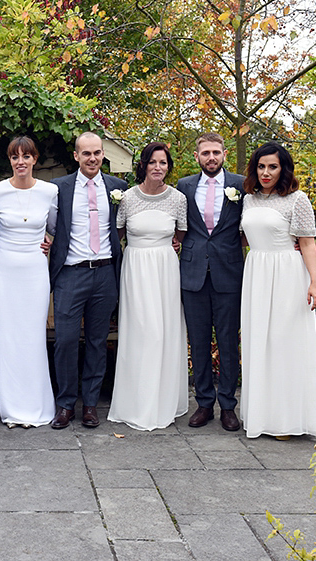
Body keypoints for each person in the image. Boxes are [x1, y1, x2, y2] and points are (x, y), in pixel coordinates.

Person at [240, 142, 316, 439]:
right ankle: (262, 416)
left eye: (272, 167)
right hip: (257, 273)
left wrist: (314, 282)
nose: (266, 172)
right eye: (261, 166)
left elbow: (308, 243)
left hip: (288, 274)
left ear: (283, 168)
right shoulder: (249, 199)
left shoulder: (297, 200)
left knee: (284, 343)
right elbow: (245, 238)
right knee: (259, 342)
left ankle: (287, 419)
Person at [48, 132, 128, 429]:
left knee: (97, 342)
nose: (92, 158)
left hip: (105, 273)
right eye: (86, 153)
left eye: (97, 153)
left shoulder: (118, 188)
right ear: (76, 156)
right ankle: (66, 404)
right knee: (66, 341)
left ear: (103, 153)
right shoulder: (59, 188)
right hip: (71, 273)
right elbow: (46, 224)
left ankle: (91, 405)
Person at [108, 143, 189, 430]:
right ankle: (135, 401)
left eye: (163, 162)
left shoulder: (178, 199)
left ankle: (163, 400)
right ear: (143, 165)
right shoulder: (127, 198)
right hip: (136, 268)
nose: (158, 167)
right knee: (140, 332)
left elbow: (180, 232)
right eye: (153, 162)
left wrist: (171, 245)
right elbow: (118, 233)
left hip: (165, 269)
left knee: (162, 332)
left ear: (169, 166)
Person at [176, 133, 245, 432]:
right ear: (197, 156)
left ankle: (228, 405)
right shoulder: (184, 186)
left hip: (228, 272)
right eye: (205, 153)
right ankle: (204, 402)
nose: (211, 158)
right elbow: (178, 224)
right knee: (199, 341)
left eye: (216, 152)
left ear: (225, 154)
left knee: (228, 342)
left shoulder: (241, 185)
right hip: (193, 273)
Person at [0, 136, 58, 427]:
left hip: (34, 272)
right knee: (6, 339)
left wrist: (49, 242)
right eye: (15, 157)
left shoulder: (50, 191)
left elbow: (55, 228)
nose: (21, 162)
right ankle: (10, 404)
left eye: (26, 157)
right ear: (10, 160)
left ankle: (36, 403)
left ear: (34, 159)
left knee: (32, 337)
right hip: (4, 271)